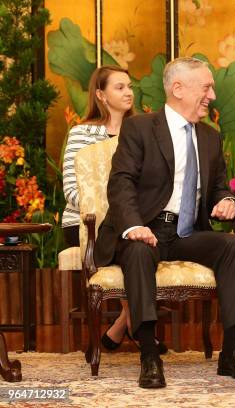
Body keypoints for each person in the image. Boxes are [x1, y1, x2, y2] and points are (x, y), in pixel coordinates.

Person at [93, 57, 235, 388]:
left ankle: (231, 352)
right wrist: (133, 226)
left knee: (233, 245)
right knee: (139, 252)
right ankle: (149, 357)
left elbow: (219, 188)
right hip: (143, 229)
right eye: (207, 87)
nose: (212, 95)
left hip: (185, 232)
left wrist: (228, 201)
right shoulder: (140, 127)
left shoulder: (210, 138)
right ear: (178, 88)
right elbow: (121, 183)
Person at [61, 66, 167, 354]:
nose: (129, 92)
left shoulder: (144, 130)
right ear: (100, 94)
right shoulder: (82, 133)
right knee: (126, 239)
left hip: (134, 221)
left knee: (141, 241)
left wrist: (130, 216)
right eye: (119, 87)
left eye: (129, 86)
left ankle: (124, 322)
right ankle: (135, 324)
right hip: (86, 223)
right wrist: (118, 212)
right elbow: (72, 190)